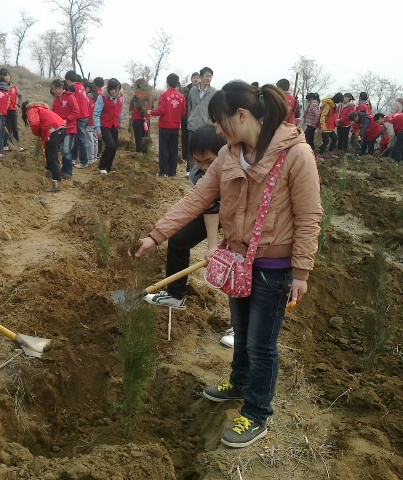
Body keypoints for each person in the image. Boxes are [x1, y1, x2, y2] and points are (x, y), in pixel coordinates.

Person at [135, 81, 322, 448]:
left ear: (241, 115)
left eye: (220, 122)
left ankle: (256, 413)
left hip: (275, 268)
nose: (218, 131)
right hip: (239, 260)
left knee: (261, 344)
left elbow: (309, 216)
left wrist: (301, 272)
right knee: (239, 327)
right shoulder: (229, 155)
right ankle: (238, 382)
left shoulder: (296, 154)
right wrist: (156, 235)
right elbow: (198, 198)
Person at [143, 126, 236, 346]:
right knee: (179, 239)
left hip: (241, 215)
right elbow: (209, 209)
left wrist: (218, 247)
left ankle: (242, 327)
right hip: (214, 210)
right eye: (197, 161)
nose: (202, 167)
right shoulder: (197, 174)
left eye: (208, 162)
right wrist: (212, 246)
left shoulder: (236, 170)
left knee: (240, 264)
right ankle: (175, 296)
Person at [22, 101, 66, 193]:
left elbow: (34, 123)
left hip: (54, 130)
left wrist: (36, 132)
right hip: (61, 128)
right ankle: (49, 172)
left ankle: (56, 183)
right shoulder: (42, 108)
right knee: (49, 152)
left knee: (52, 157)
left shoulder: (31, 109)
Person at [148, 73, 186, 177]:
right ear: (177, 83)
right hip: (176, 127)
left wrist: (151, 112)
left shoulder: (164, 95)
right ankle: (172, 172)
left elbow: (161, 110)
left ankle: (163, 171)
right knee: (173, 149)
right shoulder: (182, 97)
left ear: (167, 83)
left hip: (165, 126)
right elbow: (183, 112)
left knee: (164, 149)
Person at [186, 67, 217, 175]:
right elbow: (189, 107)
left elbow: (214, 109)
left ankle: (203, 172)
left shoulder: (213, 92)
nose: (209, 78)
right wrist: (189, 119)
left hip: (205, 127)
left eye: (210, 76)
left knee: (204, 150)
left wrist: (211, 122)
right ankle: (190, 170)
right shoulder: (192, 91)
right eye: (207, 76)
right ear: (201, 77)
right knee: (191, 149)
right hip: (193, 125)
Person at [93, 78, 124, 174]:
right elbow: (96, 113)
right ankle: (102, 166)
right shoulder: (102, 98)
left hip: (114, 125)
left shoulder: (121, 97)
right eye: (111, 89)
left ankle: (108, 167)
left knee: (114, 147)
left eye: (115, 89)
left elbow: (121, 110)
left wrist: (121, 121)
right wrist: (98, 128)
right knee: (110, 145)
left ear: (118, 88)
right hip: (104, 125)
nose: (113, 91)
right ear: (108, 89)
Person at [51, 79, 80, 179]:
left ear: (60, 88)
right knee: (62, 150)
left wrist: (66, 120)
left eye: (54, 89)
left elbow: (76, 112)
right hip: (59, 129)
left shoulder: (70, 97)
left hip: (69, 128)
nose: (53, 91)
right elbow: (53, 112)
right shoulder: (56, 100)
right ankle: (64, 169)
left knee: (66, 149)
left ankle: (68, 171)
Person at [64, 71, 90, 168]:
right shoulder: (81, 86)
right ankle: (73, 158)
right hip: (85, 115)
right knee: (78, 139)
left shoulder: (73, 88)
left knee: (80, 139)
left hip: (79, 116)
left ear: (69, 80)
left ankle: (84, 161)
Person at [129, 78, 154, 154]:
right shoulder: (149, 96)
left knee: (138, 138)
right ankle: (145, 153)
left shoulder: (136, 96)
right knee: (145, 137)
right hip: (147, 120)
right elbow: (152, 106)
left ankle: (138, 153)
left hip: (137, 119)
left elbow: (132, 108)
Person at [1, 69, 23, 152]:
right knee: (6, 128)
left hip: (13, 110)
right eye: (4, 76)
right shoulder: (1, 87)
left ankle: (17, 145)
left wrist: (18, 104)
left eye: (7, 75)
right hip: (4, 111)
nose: (6, 77)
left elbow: (21, 96)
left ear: (10, 77)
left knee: (14, 128)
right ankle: (5, 144)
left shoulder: (14, 87)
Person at [317, 92, 343, 161]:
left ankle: (330, 153)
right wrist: (323, 126)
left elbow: (332, 116)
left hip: (330, 127)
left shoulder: (333, 105)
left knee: (335, 138)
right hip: (325, 126)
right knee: (326, 141)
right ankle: (319, 155)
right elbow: (323, 115)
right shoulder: (328, 105)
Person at [181, 72, 201, 161]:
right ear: (191, 79)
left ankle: (195, 156)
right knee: (185, 136)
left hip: (198, 117)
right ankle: (185, 156)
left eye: (197, 78)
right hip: (185, 115)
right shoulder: (185, 90)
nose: (196, 79)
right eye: (194, 78)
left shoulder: (202, 90)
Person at [84, 82, 99, 165]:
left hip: (89, 121)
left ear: (88, 89)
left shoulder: (87, 98)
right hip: (96, 122)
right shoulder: (97, 99)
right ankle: (95, 157)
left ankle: (90, 159)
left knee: (89, 140)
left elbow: (87, 110)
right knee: (95, 140)